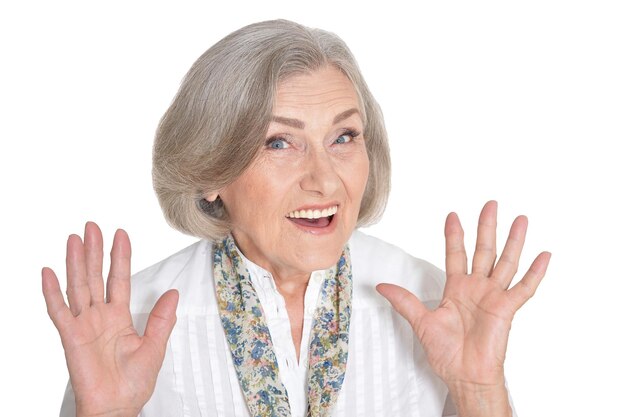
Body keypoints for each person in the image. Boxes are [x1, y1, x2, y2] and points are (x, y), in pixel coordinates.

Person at [42, 19, 550, 417]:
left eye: (344, 137)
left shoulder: (437, 307)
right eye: (279, 142)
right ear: (211, 170)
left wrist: (480, 392)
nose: (325, 180)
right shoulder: (126, 325)